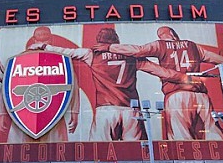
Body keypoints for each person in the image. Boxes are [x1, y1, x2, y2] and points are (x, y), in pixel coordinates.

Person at [30, 26, 188, 141]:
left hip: (104, 111)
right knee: (138, 156)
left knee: (98, 156)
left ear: (99, 41)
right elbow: (162, 72)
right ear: (117, 42)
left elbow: (67, 52)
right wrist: (185, 78)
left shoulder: (91, 54)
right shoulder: (133, 58)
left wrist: (44, 46)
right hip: (131, 111)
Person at [99, 26, 223, 140]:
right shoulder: (192, 46)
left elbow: (137, 50)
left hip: (176, 94)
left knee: (180, 135)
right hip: (200, 94)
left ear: (162, 36)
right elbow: (221, 61)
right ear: (174, 34)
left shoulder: (160, 45)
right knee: (212, 131)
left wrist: (110, 47)